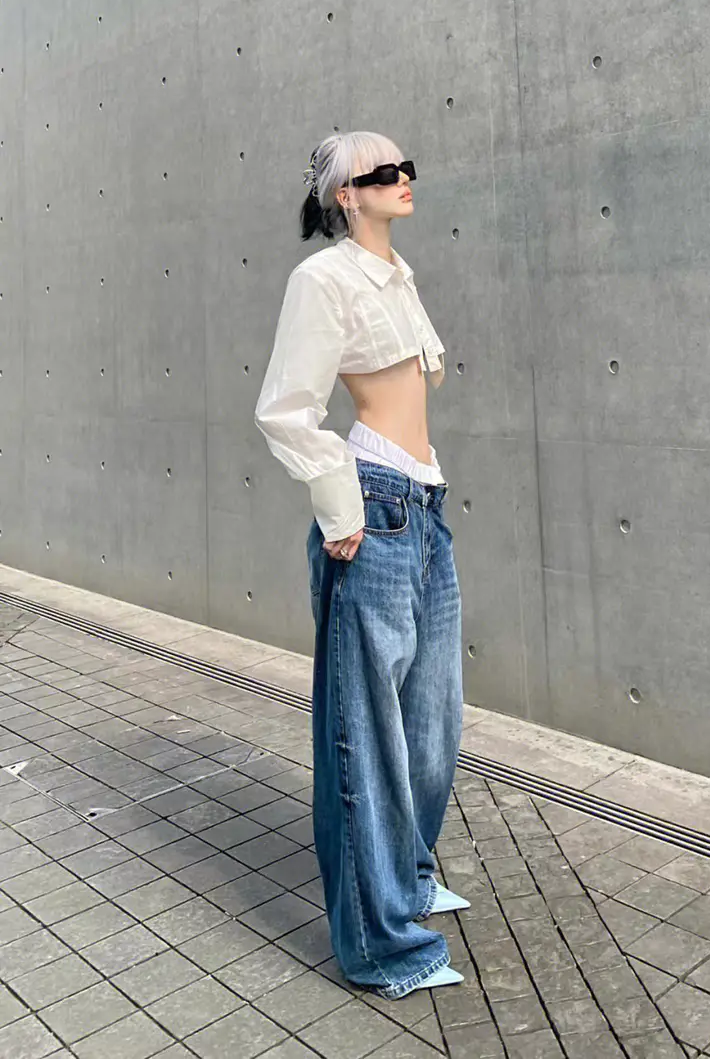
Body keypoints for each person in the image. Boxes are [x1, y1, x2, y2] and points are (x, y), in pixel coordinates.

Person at [254, 131, 469, 999]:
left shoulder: (397, 276)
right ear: (347, 194)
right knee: (365, 734)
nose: (403, 178)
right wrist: (339, 504)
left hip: (424, 502)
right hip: (373, 506)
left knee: (432, 720)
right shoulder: (324, 279)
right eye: (383, 172)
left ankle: (407, 880)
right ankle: (380, 943)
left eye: (407, 166)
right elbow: (285, 409)